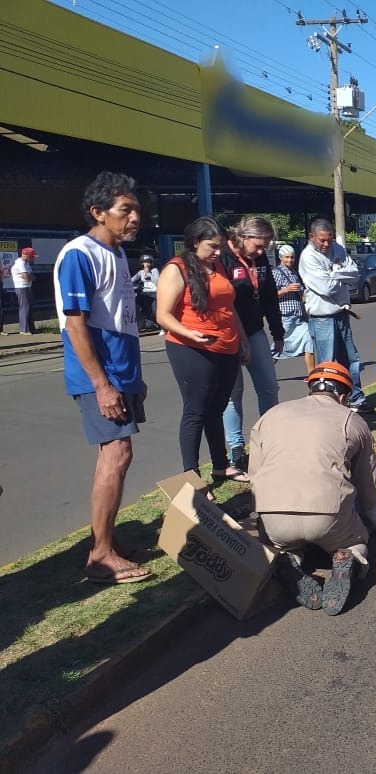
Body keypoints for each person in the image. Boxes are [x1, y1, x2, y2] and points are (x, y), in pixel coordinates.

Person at [53, 171, 152, 584]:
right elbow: (75, 324)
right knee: (117, 454)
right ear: (98, 212)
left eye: (136, 210)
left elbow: (122, 321)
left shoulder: (118, 254)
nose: (135, 218)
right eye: (125, 210)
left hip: (122, 373)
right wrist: (101, 384)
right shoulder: (80, 254)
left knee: (118, 457)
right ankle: (100, 556)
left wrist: (134, 377)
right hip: (100, 376)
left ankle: (108, 541)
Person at [249, 362, 376, 615]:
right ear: (343, 396)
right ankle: (350, 558)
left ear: (311, 387)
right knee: (356, 543)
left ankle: (288, 559)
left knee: (284, 546)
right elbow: (367, 479)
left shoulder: (270, 415)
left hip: (274, 515)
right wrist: (374, 510)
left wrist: (261, 516)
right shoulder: (352, 420)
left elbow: (255, 475)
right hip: (327, 515)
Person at [156, 216, 250, 483]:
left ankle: (220, 466)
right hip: (191, 348)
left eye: (221, 246)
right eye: (212, 246)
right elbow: (162, 315)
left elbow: (229, 308)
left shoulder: (217, 265)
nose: (218, 252)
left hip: (226, 347)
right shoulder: (176, 269)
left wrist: (242, 340)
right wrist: (190, 334)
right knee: (195, 411)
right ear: (195, 242)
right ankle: (192, 476)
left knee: (216, 408)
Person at [220, 215, 285, 470]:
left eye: (265, 247)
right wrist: (237, 340)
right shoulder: (223, 256)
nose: (261, 251)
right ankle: (236, 448)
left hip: (256, 330)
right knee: (233, 393)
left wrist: (277, 332)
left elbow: (269, 296)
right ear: (243, 236)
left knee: (269, 387)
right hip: (229, 334)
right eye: (258, 245)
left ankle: (269, 439)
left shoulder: (260, 259)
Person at [298, 217, 370, 412]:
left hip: (342, 313)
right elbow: (326, 288)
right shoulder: (308, 257)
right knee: (327, 364)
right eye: (322, 240)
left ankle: (356, 398)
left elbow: (355, 274)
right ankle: (327, 404)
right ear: (312, 237)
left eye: (329, 239)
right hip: (322, 318)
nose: (326, 244)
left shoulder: (338, 248)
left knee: (351, 359)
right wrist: (340, 276)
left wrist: (333, 275)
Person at [271, 244, 315, 374]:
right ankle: (265, 370)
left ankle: (312, 375)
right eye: (286, 257)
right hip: (285, 317)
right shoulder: (276, 272)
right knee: (277, 348)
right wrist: (287, 290)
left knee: (309, 342)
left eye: (292, 257)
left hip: (298, 317)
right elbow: (271, 295)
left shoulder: (294, 273)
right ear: (280, 258)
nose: (289, 260)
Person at [132, 253, 160, 331]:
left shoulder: (154, 270)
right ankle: (143, 321)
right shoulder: (140, 272)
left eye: (148, 262)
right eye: (145, 262)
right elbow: (132, 280)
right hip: (144, 292)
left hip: (154, 292)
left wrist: (149, 273)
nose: (147, 264)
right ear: (142, 263)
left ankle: (153, 322)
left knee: (154, 310)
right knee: (135, 303)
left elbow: (157, 281)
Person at [12, 246, 36, 335]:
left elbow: (31, 276)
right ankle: (24, 329)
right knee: (24, 307)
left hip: (27, 287)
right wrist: (30, 277)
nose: (33, 258)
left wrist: (30, 277)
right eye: (32, 256)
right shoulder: (20, 264)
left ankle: (30, 328)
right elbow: (26, 277)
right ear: (27, 256)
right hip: (22, 287)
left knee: (29, 307)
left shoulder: (26, 263)